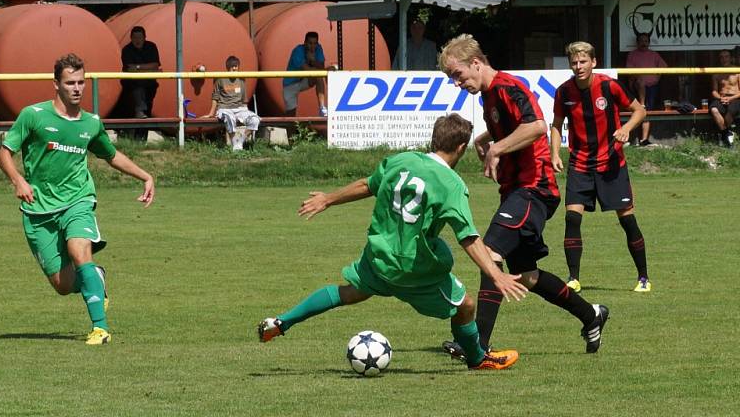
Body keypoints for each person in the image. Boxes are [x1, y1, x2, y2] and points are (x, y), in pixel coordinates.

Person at [258, 113, 527, 371]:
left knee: (350, 292)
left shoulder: (402, 160)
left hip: (379, 258)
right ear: (460, 147)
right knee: (466, 305)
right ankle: (477, 358)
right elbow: (468, 237)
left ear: (434, 141)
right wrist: (495, 275)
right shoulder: (451, 184)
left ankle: (282, 322)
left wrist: (327, 199)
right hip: (414, 269)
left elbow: (367, 185)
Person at [438, 34, 609, 358]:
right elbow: (510, 128)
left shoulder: (507, 87)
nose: (457, 83)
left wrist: (497, 149)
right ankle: (591, 315)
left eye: (458, 75)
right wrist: (484, 140)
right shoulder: (488, 97)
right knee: (525, 275)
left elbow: (537, 126)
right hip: (517, 191)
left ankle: (477, 344)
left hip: (535, 188)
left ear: (476, 63)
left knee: (489, 253)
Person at [0, 53, 155, 345]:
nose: (77, 88)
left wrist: (145, 176)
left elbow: (111, 155)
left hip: (78, 200)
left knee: (79, 249)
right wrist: (18, 180)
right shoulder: (33, 116)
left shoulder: (91, 123)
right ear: (56, 84)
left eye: (81, 82)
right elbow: (4, 153)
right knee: (63, 284)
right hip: (38, 209)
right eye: (70, 82)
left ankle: (100, 327)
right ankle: (96, 277)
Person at [550, 41, 651, 294]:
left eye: (583, 61)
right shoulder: (564, 92)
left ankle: (643, 278)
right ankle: (573, 278)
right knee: (572, 218)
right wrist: (554, 153)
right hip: (580, 163)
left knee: (627, 220)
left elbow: (639, 111)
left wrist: (626, 129)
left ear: (593, 62)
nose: (578, 66)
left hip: (611, 163)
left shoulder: (608, 85)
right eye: (574, 62)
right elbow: (556, 124)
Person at [202, 55, 260, 151]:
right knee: (230, 118)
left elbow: (244, 99)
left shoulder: (241, 79)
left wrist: (246, 111)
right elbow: (215, 97)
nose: (235, 68)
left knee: (254, 120)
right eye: (233, 66)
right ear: (228, 67)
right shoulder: (220, 79)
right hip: (225, 108)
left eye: (236, 66)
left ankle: (240, 141)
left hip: (240, 108)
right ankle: (235, 143)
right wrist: (211, 113)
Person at [626, 32, 667, 147]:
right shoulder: (632, 54)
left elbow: (664, 67)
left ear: (649, 43)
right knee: (636, 110)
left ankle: (644, 139)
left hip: (652, 86)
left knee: (647, 112)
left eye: (646, 41)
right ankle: (630, 138)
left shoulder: (654, 54)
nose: (643, 43)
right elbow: (629, 71)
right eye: (641, 41)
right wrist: (635, 80)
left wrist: (657, 77)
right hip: (637, 86)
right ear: (637, 43)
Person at [121, 26, 161, 140]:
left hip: (150, 85)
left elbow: (155, 65)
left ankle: (141, 140)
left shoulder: (151, 47)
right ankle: (135, 138)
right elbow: (129, 68)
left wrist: (138, 67)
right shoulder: (126, 50)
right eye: (135, 37)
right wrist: (149, 68)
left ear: (144, 37)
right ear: (131, 38)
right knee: (138, 106)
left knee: (146, 110)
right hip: (132, 86)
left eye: (140, 37)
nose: (137, 40)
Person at [283, 31, 329, 117]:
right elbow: (307, 69)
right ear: (305, 43)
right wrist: (325, 70)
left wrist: (313, 61)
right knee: (290, 116)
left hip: (304, 80)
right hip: (290, 84)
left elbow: (321, 67)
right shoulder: (298, 51)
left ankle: (322, 108)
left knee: (318, 76)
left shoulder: (318, 48)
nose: (312, 46)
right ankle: (290, 128)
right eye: (310, 43)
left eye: (315, 43)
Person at [709, 49, 740, 147]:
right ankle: (727, 134)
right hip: (721, 97)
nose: (724, 59)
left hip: (735, 98)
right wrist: (720, 98)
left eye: (726, 56)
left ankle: (724, 136)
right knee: (714, 109)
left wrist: (730, 99)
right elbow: (714, 91)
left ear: (730, 58)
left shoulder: (737, 71)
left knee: (729, 113)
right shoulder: (716, 72)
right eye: (721, 57)